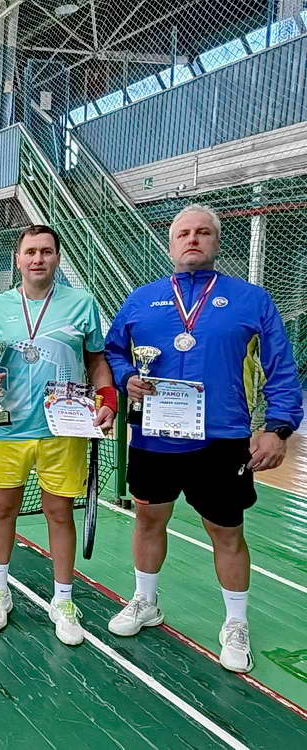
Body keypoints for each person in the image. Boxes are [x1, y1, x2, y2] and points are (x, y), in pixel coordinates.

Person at [104, 204, 302, 673]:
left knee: (226, 532)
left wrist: (278, 428)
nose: (192, 240)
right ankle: (146, 601)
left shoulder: (251, 300)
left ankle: (236, 623)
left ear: (216, 241)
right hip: (154, 437)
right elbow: (112, 352)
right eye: (184, 234)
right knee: (148, 519)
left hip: (222, 440)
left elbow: (280, 367)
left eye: (203, 233)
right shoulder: (142, 299)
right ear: (171, 245)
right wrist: (127, 377)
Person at [0, 225, 116, 646]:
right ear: (17, 259)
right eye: (31, 252)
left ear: (57, 258)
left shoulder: (82, 304)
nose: (38, 259)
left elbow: (96, 361)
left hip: (64, 430)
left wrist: (107, 397)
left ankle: (64, 601)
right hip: (8, 428)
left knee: (59, 513)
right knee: (3, 509)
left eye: (47, 251)